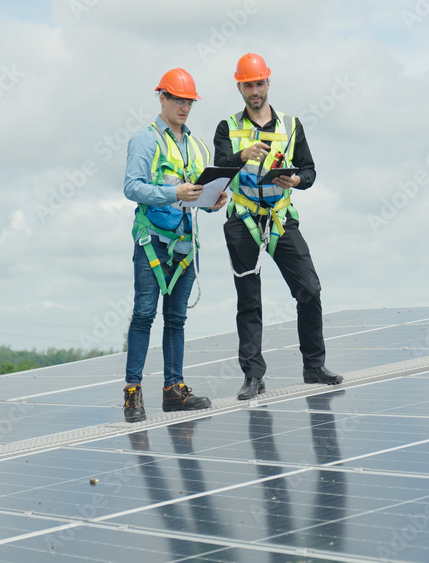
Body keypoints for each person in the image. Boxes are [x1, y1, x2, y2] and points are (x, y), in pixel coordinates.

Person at [214, 53, 342, 401]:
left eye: (259, 83)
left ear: (268, 83)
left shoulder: (291, 125)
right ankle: (253, 375)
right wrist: (242, 156)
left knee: (310, 288)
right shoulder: (227, 128)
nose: (254, 90)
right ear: (239, 86)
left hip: (281, 218)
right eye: (248, 85)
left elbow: (310, 171)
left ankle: (314, 366)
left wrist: (296, 179)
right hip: (243, 221)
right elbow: (219, 169)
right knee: (249, 301)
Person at [121, 68, 227, 423]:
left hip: (184, 246)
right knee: (144, 315)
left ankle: (173, 389)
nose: (184, 107)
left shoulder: (195, 145)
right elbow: (132, 187)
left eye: (189, 102)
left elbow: (195, 195)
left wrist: (212, 201)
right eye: (178, 100)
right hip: (153, 242)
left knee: (176, 319)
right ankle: (133, 392)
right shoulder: (146, 140)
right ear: (162, 98)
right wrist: (172, 193)